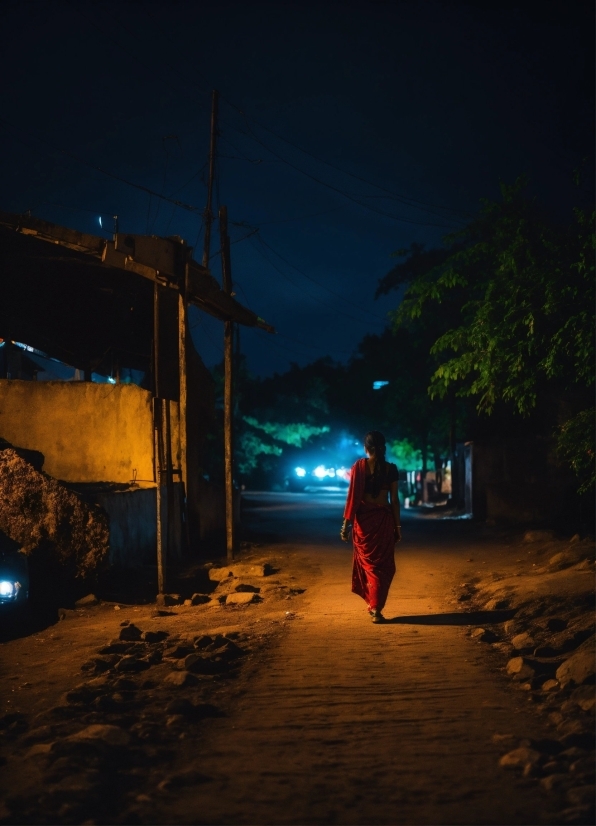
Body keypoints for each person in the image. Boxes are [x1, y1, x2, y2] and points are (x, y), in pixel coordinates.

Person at [340, 431, 401, 623]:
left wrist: (346, 525)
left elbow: (353, 498)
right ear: (383, 447)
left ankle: (374, 607)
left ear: (366, 448)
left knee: (370, 567)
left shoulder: (359, 467)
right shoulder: (391, 469)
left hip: (364, 524)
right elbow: (395, 500)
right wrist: (398, 526)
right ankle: (376, 607)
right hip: (384, 521)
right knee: (383, 567)